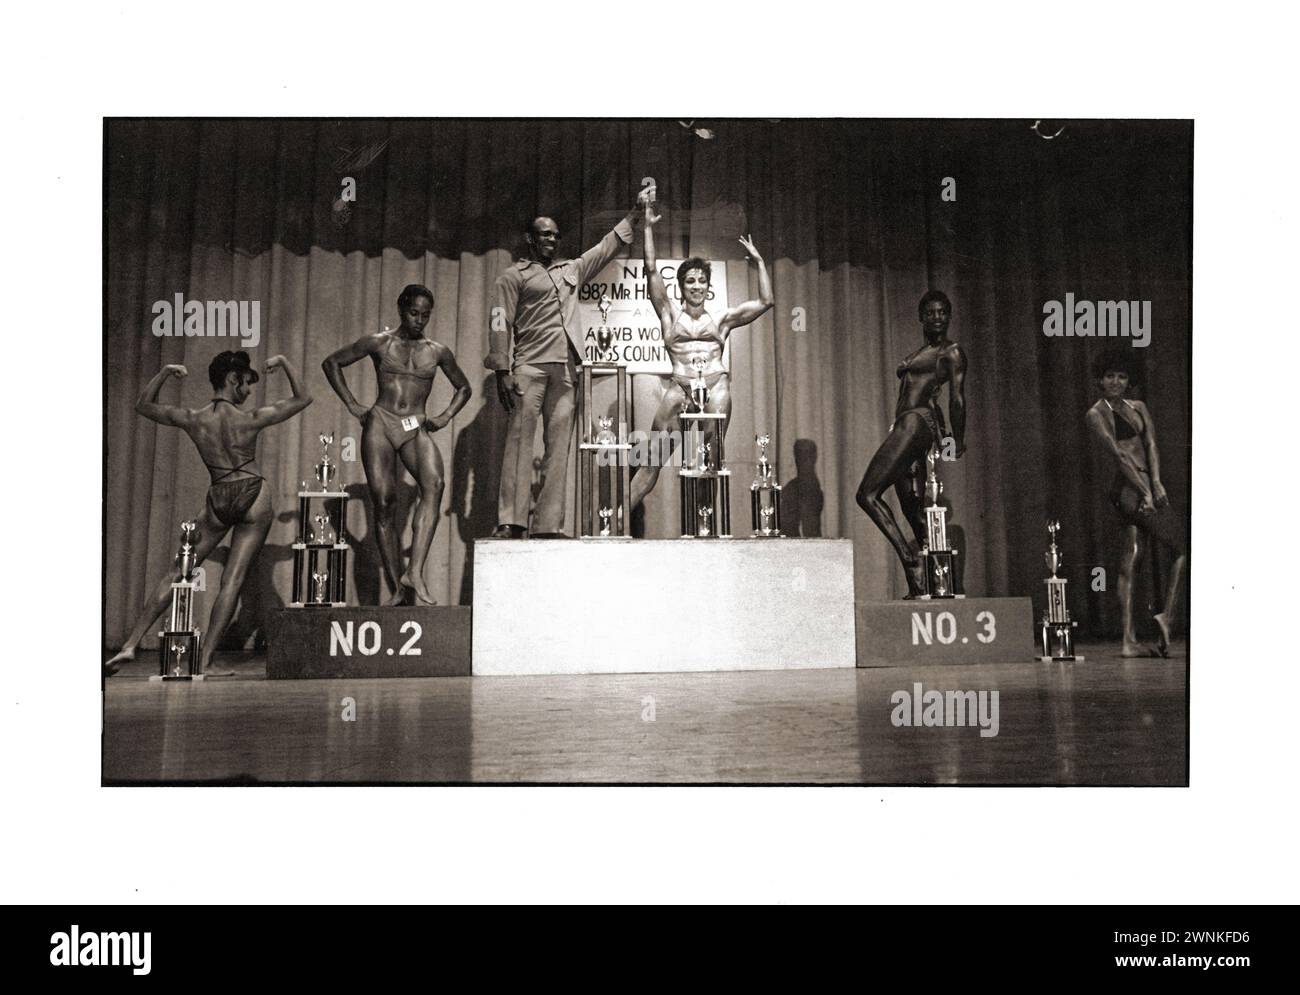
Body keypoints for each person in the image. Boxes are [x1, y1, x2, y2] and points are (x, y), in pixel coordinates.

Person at [105, 351, 311, 676]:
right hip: (252, 493)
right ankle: (205, 661)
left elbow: (143, 405)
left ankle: (130, 644)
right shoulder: (250, 418)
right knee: (233, 580)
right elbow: (303, 397)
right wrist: (285, 362)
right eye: (245, 384)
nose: (247, 392)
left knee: (178, 571)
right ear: (232, 380)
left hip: (218, 496)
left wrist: (164, 373)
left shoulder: (193, 417)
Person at [487, 190, 651, 539]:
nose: (552, 240)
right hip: (528, 368)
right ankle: (511, 522)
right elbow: (499, 320)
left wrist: (635, 213)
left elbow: (607, 247)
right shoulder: (513, 276)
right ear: (530, 239)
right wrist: (502, 369)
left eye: (556, 235)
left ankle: (548, 525)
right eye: (545, 234)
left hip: (566, 371)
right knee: (519, 444)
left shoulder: (572, 270)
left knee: (558, 449)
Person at [322, 284, 471, 606]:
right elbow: (331, 363)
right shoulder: (379, 342)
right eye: (414, 313)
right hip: (381, 423)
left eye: (425, 315)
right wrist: (352, 404)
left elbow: (463, 387)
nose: (419, 320)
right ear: (401, 310)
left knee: (435, 484)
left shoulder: (437, 350)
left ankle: (413, 572)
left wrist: (445, 416)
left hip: (414, 425)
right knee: (385, 502)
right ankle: (397, 589)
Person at [627, 196, 773, 509]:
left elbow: (765, 302)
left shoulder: (721, 320)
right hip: (679, 389)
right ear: (680, 286)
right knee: (651, 462)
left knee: (711, 462)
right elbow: (651, 269)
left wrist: (760, 263)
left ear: (708, 287)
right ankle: (614, 524)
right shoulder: (668, 314)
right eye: (690, 281)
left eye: (701, 281)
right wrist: (648, 229)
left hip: (715, 386)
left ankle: (706, 532)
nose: (696, 286)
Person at [855, 290, 968, 598]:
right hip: (909, 423)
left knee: (867, 494)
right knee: (912, 510)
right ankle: (933, 583)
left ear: (949, 317)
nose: (937, 317)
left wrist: (957, 440)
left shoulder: (951, 352)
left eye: (942, 312)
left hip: (918, 421)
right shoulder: (924, 351)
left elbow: (957, 397)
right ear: (921, 317)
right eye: (930, 312)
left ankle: (909, 558)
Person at [1085, 349, 1186, 657]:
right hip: (1128, 489)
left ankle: (1129, 641)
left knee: (1133, 555)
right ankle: (1166, 616)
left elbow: (1151, 444)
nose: (1116, 382)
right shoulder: (1095, 414)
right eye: (1110, 376)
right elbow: (1118, 455)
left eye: (1122, 376)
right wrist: (1144, 491)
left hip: (1145, 485)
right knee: (1182, 548)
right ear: (1100, 379)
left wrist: (1155, 482)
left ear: (1130, 380)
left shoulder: (1139, 407)